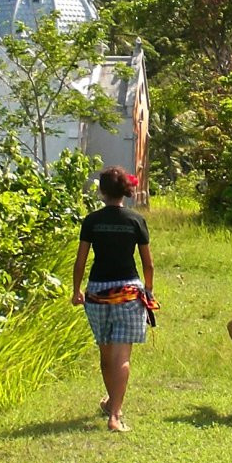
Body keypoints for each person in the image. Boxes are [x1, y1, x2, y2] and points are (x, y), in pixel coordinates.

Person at [72, 166, 155, 433]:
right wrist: (149, 290)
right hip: (128, 293)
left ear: (102, 191)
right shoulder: (135, 220)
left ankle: (111, 403)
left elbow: (81, 259)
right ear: (125, 192)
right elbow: (148, 263)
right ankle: (115, 414)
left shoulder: (92, 221)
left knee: (106, 357)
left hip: (97, 293)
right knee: (122, 357)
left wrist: (77, 290)